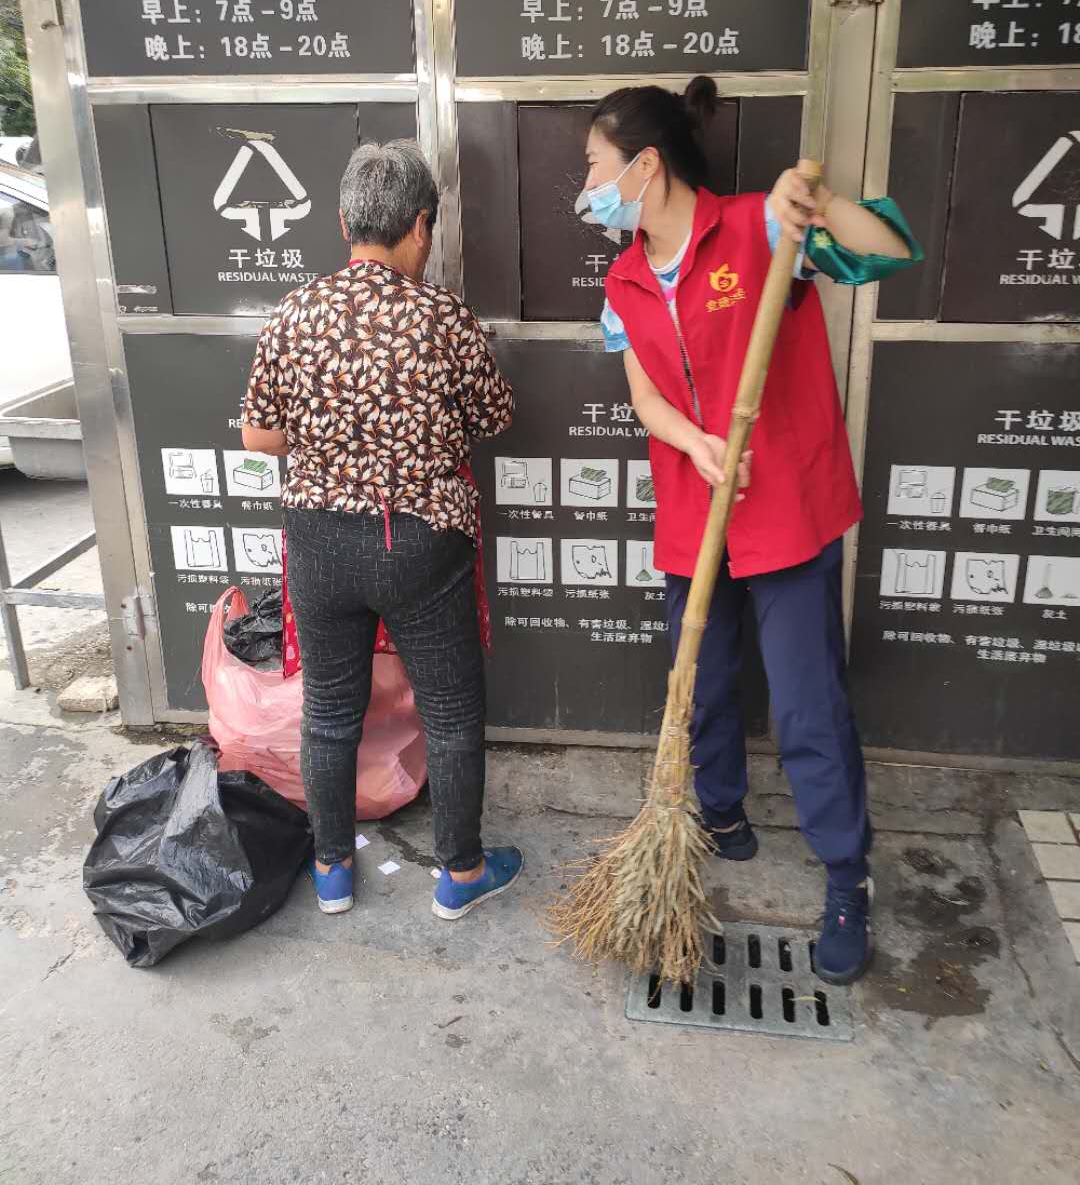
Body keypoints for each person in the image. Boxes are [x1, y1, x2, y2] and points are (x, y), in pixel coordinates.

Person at [586, 77, 920, 985]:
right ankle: (720, 810)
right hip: (694, 506)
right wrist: (694, 442)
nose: (590, 187)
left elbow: (887, 253)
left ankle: (847, 876)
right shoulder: (622, 279)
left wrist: (820, 206)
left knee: (808, 704)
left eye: (596, 166)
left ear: (645, 166)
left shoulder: (755, 229)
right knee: (702, 685)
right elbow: (645, 398)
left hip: (784, 508)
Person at [240, 139, 523, 922]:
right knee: (452, 712)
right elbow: (495, 417)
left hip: (321, 542)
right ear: (421, 226)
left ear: (344, 223)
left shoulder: (294, 313)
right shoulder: (444, 318)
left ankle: (332, 869)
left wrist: (333, 435)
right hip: (421, 543)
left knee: (330, 710)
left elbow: (260, 437)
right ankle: (460, 874)